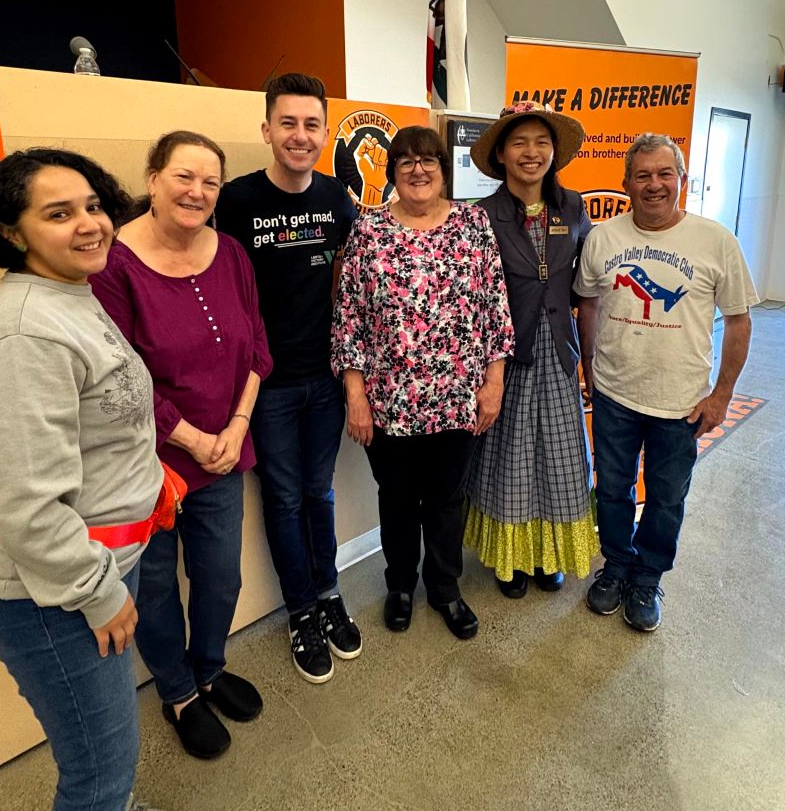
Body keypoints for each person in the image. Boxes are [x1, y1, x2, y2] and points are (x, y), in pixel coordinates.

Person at [0, 149, 164, 811]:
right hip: (50, 595)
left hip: (89, 568)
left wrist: (149, 478)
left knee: (108, 758)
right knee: (101, 772)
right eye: (58, 213)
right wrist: (96, 592)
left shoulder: (70, 294)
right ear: (13, 233)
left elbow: (96, 425)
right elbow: (25, 504)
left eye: (94, 206)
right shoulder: (25, 335)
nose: (89, 224)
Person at [90, 131, 272, 758]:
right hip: (149, 466)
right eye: (184, 177)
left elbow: (257, 349)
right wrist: (195, 439)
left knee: (220, 579)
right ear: (153, 178)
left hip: (224, 451)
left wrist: (237, 428)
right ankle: (179, 693)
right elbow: (119, 379)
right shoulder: (114, 265)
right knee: (158, 588)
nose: (197, 192)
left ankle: (210, 669)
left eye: (211, 182)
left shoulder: (232, 255)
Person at [332, 126, 514, 640]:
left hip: (458, 397)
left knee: (446, 498)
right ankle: (399, 585)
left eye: (428, 159)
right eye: (406, 160)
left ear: (442, 167)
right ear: (392, 171)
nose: (418, 168)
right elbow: (349, 317)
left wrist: (493, 381)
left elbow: (494, 307)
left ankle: (445, 588)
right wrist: (355, 394)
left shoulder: (473, 226)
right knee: (395, 497)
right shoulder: (368, 232)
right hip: (388, 401)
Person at [575, 133, 757, 632]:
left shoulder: (715, 240)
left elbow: (739, 322)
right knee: (611, 489)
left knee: (665, 497)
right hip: (614, 391)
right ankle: (614, 567)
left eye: (664, 174)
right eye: (642, 175)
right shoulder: (603, 238)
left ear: (682, 179)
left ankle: (647, 576)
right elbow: (587, 303)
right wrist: (588, 368)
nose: (653, 184)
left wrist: (722, 396)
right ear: (625, 183)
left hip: (682, 403)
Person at [214, 73, 362, 685]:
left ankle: (328, 594)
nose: (300, 136)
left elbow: (361, 284)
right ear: (268, 130)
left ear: (325, 133)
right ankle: (301, 612)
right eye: (289, 124)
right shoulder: (235, 201)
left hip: (325, 377)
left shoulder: (336, 198)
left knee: (317, 493)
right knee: (282, 499)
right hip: (265, 385)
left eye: (311, 125)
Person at [463, 102, 599, 599]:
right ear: (500, 153)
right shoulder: (479, 218)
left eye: (541, 142)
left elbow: (586, 285)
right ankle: (510, 560)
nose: (531, 152)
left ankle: (548, 557)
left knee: (562, 457)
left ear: (554, 152)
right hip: (505, 352)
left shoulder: (574, 207)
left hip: (559, 350)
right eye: (519, 142)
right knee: (510, 455)